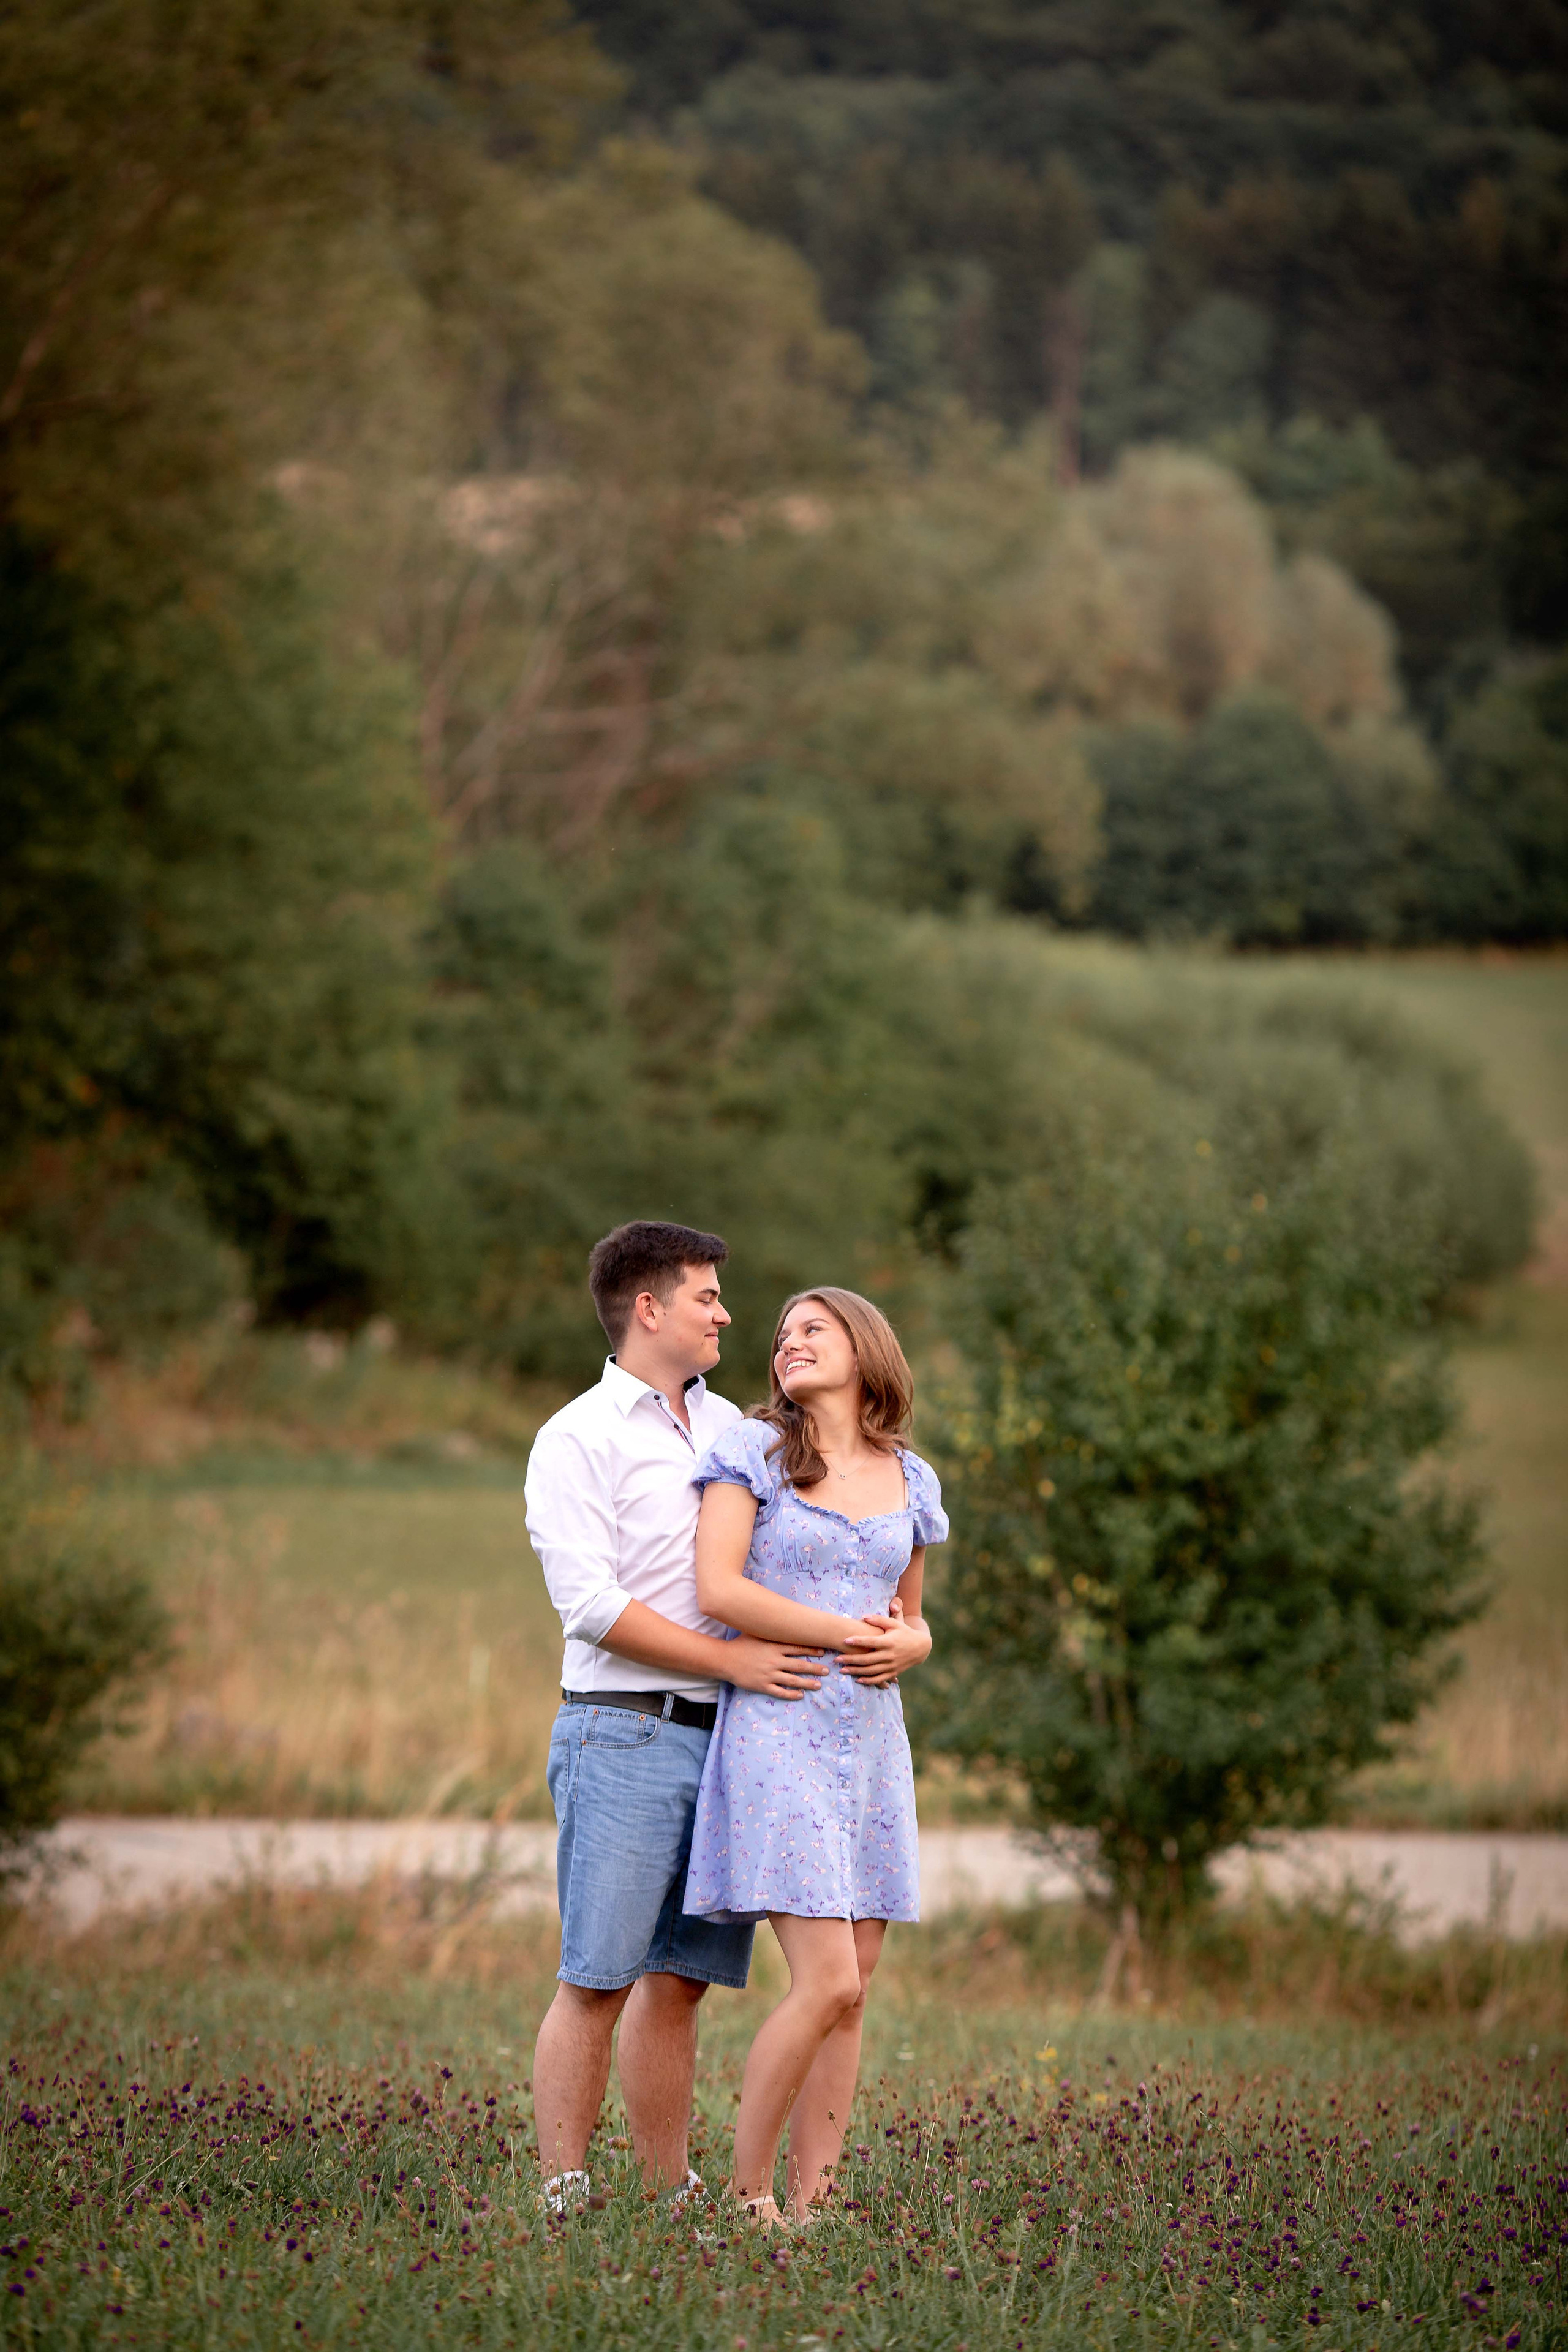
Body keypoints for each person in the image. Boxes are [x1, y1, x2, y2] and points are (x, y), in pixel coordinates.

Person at [522, 1223, 898, 2212]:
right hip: (624, 1727)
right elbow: (592, 1608)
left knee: (680, 1983)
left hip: (735, 1743)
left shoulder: (739, 1428)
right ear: (649, 1309)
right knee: (598, 1976)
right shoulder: (577, 1438)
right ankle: (564, 2190)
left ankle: (668, 2192)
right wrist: (732, 1657)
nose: (727, 1314)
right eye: (707, 1297)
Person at [684, 1286, 945, 2226]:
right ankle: (747, 2196)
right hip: (780, 1725)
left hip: (872, 1741)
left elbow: (911, 1616)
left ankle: (813, 2201)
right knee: (826, 1978)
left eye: (813, 1329)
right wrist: (844, 1634)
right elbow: (719, 1588)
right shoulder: (750, 1451)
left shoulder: (911, 1478)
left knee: (856, 1991)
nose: (788, 1344)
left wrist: (915, 1646)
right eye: (782, 1334)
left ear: (865, 1349)